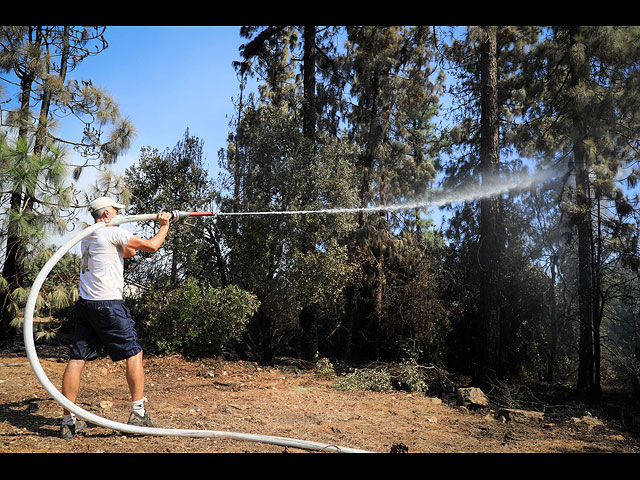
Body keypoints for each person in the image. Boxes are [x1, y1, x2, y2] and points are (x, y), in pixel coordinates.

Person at [60, 196, 172, 439]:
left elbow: (129, 252)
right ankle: (138, 414)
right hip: (108, 305)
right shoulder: (111, 233)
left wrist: (125, 239)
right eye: (117, 212)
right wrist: (164, 225)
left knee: (78, 358)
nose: (120, 215)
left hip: (86, 305)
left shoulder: (89, 236)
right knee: (134, 352)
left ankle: (68, 421)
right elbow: (152, 246)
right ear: (108, 214)